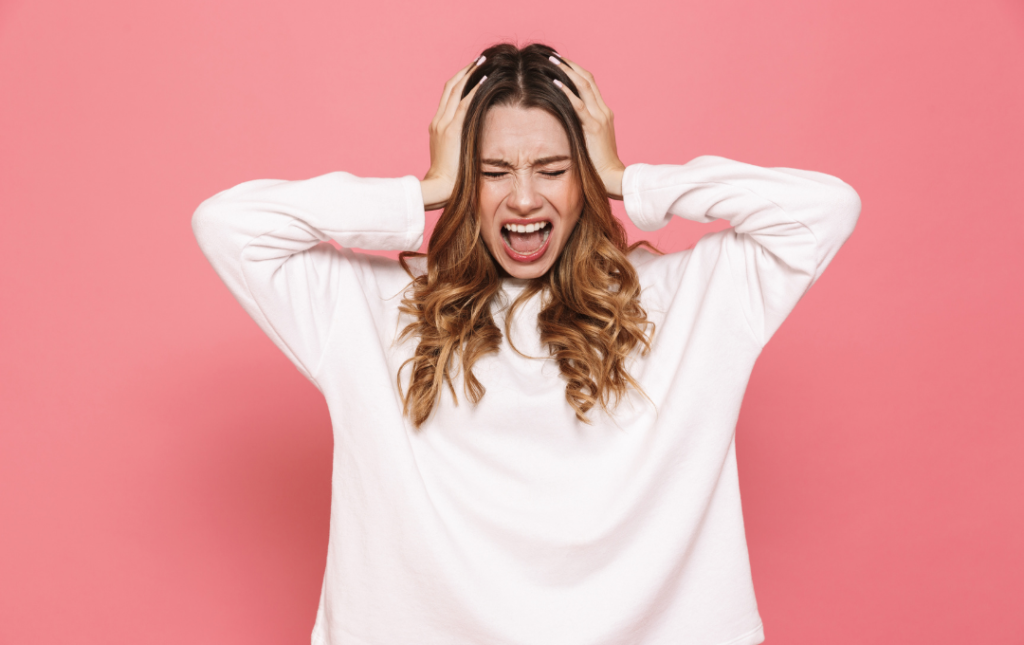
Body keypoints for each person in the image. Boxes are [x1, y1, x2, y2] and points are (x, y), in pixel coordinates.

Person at [192, 42, 860, 645]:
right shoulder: (376, 306)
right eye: (491, 172)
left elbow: (824, 210)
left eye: (551, 168)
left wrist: (630, 177)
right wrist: (423, 191)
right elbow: (227, 225)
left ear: (584, 180)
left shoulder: (685, 298)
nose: (522, 198)